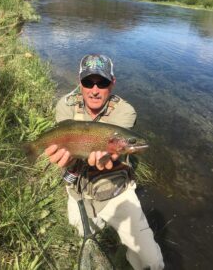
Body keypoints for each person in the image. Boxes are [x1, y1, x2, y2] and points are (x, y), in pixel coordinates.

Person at [45, 54, 164, 270]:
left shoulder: (126, 112)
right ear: (79, 82)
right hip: (78, 186)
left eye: (103, 82)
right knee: (81, 232)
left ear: (113, 83)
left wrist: (112, 158)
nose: (95, 89)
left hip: (116, 187)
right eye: (88, 82)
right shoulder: (65, 105)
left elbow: (121, 149)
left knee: (152, 263)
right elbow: (66, 140)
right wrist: (65, 157)